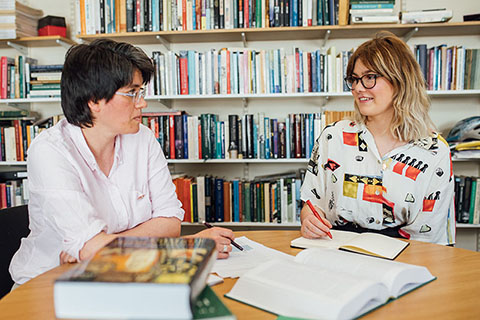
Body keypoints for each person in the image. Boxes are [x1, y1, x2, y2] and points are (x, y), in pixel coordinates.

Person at [9, 39, 235, 286]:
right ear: (93, 99)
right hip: (48, 283)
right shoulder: (50, 151)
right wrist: (189, 246)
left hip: (126, 273)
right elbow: (92, 249)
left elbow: (170, 222)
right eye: (132, 93)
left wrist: (101, 245)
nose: (142, 103)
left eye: (141, 92)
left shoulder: (143, 138)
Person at [300, 32, 455, 245]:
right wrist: (309, 219)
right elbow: (313, 202)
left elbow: (431, 236)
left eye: (369, 77)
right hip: (335, 254)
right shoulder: (333, 137)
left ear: (400, 80)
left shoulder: (434, 151)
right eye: (354, 79)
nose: (358, 88)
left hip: (404, 259)